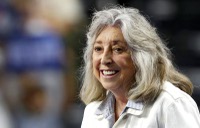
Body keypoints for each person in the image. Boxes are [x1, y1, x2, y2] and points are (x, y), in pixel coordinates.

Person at [80, 6, 200, 128]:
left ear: (142, 56)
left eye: (117, 49)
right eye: (98, 49)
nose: (105, 59)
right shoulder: (92, 111)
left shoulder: (171, 104)